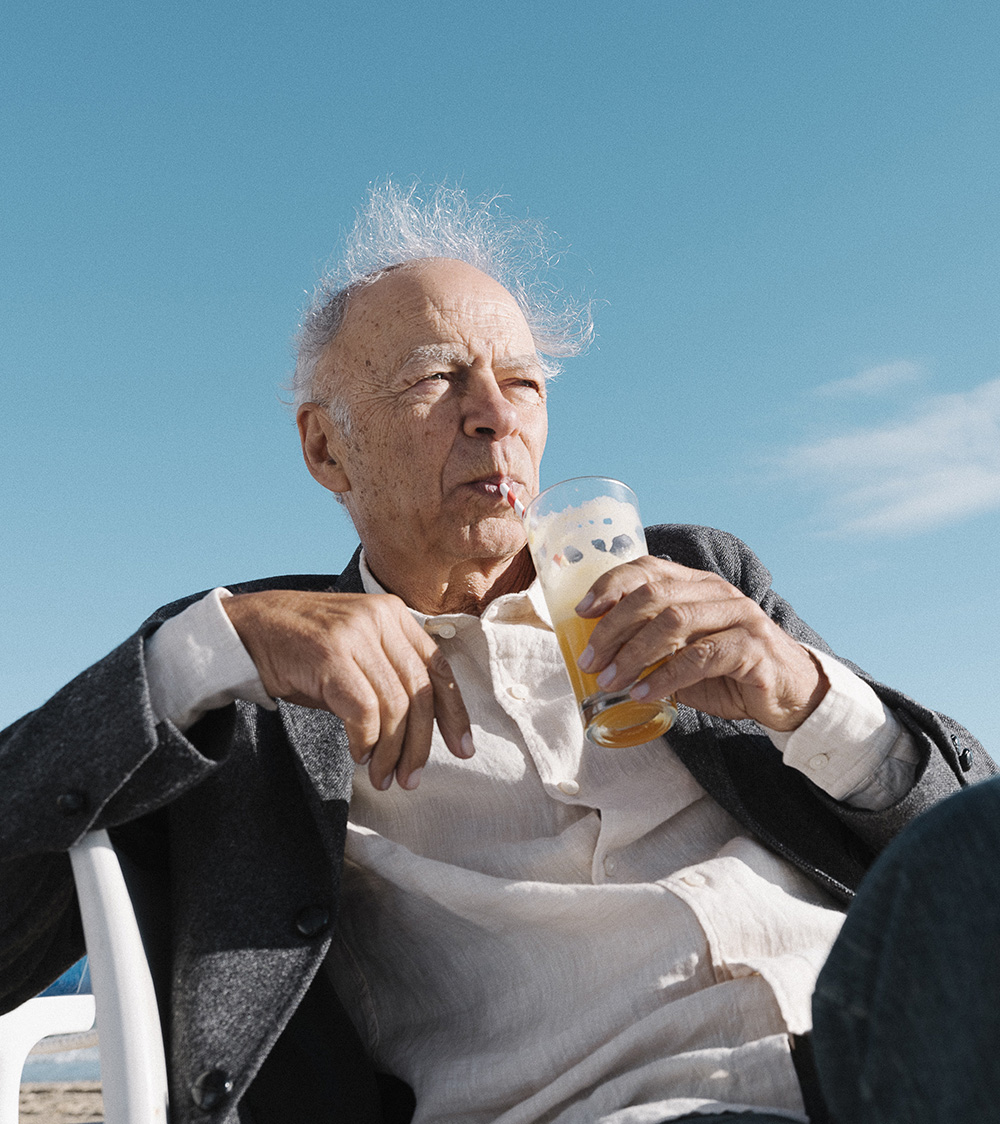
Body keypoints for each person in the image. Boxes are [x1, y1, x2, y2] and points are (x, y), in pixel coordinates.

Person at [0, 183, 994, 1124]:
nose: (498, 413)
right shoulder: (251, 678)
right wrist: (203, 651)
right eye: (438, 377)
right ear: (324, 449)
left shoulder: (697, 573)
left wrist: (812, 698)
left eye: (522, 380)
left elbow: (964, 842)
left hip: (885, 1048)